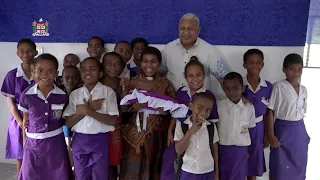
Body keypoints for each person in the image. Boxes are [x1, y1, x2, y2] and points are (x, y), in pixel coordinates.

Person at [120, 47, 175, 180]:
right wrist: (132, 104)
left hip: (156, 134)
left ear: (159, 63)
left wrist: (156, 108)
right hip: (133, 134)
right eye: (145, 61)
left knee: (153, 168)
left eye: (153, 61)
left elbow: (172, 110)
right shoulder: (132, 82)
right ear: (140, 62)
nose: (149, 65)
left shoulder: (165, 84)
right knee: (132, 170)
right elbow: (123, 109)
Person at [18, 53, 72, 180]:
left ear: (56, 73)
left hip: (56, 143)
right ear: (33, 72)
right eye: (40, 71)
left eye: (50, 71)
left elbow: (64, 118)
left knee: (57, 173)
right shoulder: (26, 95)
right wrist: (25, 145)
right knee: (32, 174)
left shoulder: (62, 96)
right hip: (33, 143)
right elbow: (25, 121)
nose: (44, 75)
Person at [63, 57, 119, 180]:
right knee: (80, 174)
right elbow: (67, 122)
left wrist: (88, 110)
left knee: (100, 175)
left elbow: (112, 120)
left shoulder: (108, 92)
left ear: (100, 73)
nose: (87, 72)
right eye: (84, 69)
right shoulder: (75, 94)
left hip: (100, 141)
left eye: (92, 69)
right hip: (79, 140)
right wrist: (88, 109)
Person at [266, 54, 310, 180]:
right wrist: (270, 134)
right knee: (279, 166)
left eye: (299, 69)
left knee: (299, 164)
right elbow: (270, 111)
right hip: (282, 130)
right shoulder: (278, 87)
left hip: (299, 131)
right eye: (292, 69)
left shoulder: (304, 90)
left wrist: (305, 133)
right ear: (284, 69)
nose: (296, 73)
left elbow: (301, 114)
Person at [160, 13, 229, 92]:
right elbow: (159, 72)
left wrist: (238, 99)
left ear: (198, 30)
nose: (186, 32)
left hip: (200, 101)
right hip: (173, 100)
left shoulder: (210, 50)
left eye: (190, 29)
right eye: (183, 28)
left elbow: (223, 78)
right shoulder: (169, 48)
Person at [1, 38, 37, 175]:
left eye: (29, 51)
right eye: (22, 51)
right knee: (20, 154)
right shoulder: (12, 75)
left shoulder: (40, 73)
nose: (26, 54)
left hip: (36, 117)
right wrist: (20, 121)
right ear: (18, 54)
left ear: (35, 52)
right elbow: (10, 101)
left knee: (36, 152)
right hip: (18, 119)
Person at [167, 56, 219, 145]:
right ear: (185, 77)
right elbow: (175, 114)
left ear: (204, 75)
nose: (195, 79)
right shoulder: (181, 92)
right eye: (190, 76)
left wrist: (212, 143)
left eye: (198, 75)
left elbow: (213, 121)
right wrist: (169, 132)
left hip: (201, 136)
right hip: (180, 134)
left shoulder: (209, 95)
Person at [217, 72, 256, 180]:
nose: (231, 92)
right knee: (223, 175)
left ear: (242, 88)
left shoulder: (249, 107)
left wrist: (249, 151)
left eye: (235, 88)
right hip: (223, 149)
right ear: (224, 89)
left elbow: (251, 130)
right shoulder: (219, 106)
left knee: (239, 176)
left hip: (241, 150)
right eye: (227, 89)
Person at [242, 49, 272, 180]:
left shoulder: (268, 87)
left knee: (254, 158)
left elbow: (268, 112)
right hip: (242, 127)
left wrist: (267, 134)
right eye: (250, 62)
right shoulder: (239, 85)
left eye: (258, 63)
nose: (254, 66)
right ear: (244, 65)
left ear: (262, 65)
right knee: (241, 156)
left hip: (259, 128)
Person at [174, 92, 219, 180]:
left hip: (208, 172)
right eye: (200, 108)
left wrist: (216, 173)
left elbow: (215, 152)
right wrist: (191, 131)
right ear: (191, 106)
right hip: (188, 171)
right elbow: (178, 150)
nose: (203, 113)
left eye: (208, 110)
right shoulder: (182, 125)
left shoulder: (211, 127)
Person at [101, 52, 127, 180]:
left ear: (122, 67)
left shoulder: (124, 84)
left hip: (116, 129)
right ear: (102, 65)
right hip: (97, 128)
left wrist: (124, 94)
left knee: (113, 162)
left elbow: (125, 109)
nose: (113, 67)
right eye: (109, 64)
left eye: (117, 64)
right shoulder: (96, 83)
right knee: (100, 161)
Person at [61, 66, 81, 169]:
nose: (70, 80)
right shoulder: (57, 96)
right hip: (62, 135)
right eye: (67, 77)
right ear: (61, 79)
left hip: (79, 134)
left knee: (77, 164)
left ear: (79, 78)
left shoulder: (83, 95)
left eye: (74, 77)